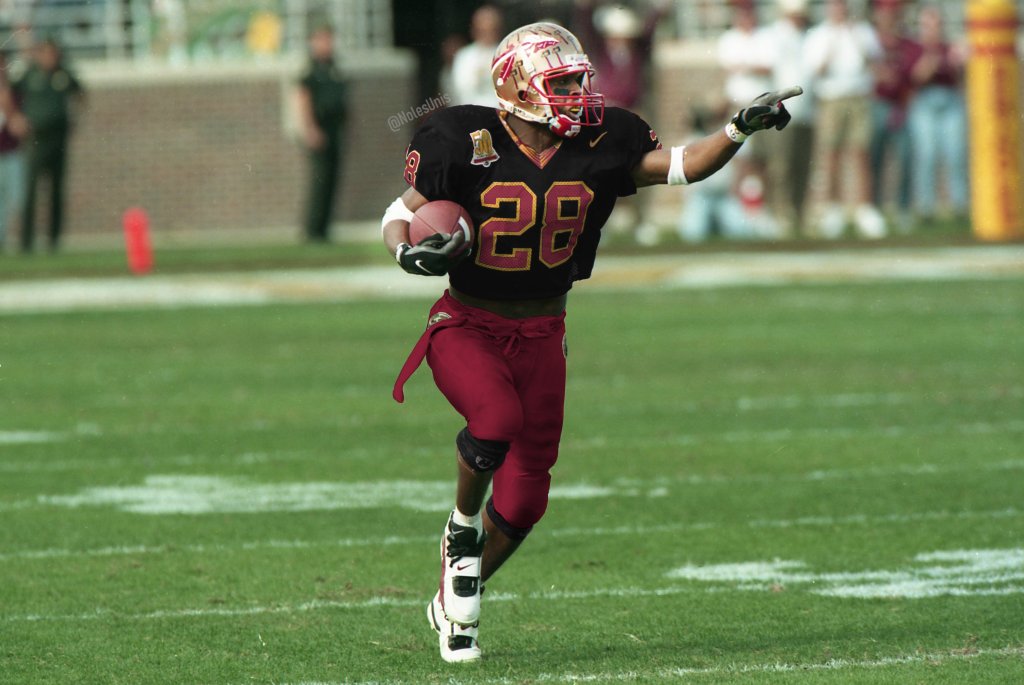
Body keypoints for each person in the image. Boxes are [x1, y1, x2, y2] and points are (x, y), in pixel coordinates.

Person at [380, 21, 801, 663]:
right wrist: (406, 252)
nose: (579, 94)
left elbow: (683, 166)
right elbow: (400, 213)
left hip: (545, 331)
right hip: (467, 324)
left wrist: (738, 128)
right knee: (495, 420)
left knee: (526, 501)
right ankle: (461, 530)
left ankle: (458, 594)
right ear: (517, 88)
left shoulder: (603, 140)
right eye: (563, 83)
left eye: (579, 81)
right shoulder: (463, 139)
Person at [803, 0, 886, 239]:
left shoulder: (863, 31)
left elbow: (875, 63)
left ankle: (863, 207)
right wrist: (832, 48)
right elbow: (815, 70)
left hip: (858, 97)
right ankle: (834, 208)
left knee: (861, 152)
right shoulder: (818, 35)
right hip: (832, 98)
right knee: (831, 154)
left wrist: (856, 41)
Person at [13, 36, 84, 253]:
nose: (50, 57)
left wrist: (74, 119)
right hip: (35, 138)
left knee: (56, 189)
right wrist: (16, 117)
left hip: (58, 138)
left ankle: (53, 240)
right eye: (45, 53)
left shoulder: (64, 74)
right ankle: (26, 242)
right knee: (30, 190)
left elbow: (80, 94)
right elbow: (10, 93)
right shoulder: (30, 74)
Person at [907, 3, 968, 224]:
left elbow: (961, 79)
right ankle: (926, 209)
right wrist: (932, 60)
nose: (933, 28)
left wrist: (960, 62)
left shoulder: (950, 47)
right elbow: (916, 77)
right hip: (925, 103)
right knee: (928, 155)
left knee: (955, 154)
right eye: (928, 24)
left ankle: (960, 207)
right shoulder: (914, 48)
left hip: (950, 101)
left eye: (937, 24)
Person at [761, 0, 815, 236]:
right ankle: (779, 213)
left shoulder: (808, 36)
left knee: (803, 166)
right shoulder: (775, 35)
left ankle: (798, 213)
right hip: (784, 110)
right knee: (781, 165)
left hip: (807, 111)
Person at [295, 24, 349, 243]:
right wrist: (310, 129)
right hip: (320, 129)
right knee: (320, 180)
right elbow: (303, 100)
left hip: (335, 130)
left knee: (332, 180)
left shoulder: (334, 68)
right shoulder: (310, 70)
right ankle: (312, 230)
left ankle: (325, 229)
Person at [869, 0, 918, 229]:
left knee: (905, 157)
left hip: (900, 105)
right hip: (876, 103)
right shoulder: (870, 40)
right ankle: (874, 207)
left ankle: (903, 208)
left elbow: (913, 73)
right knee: (875, 158)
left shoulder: (906, 44)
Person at [0, 51, 28, 253]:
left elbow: (20, 127)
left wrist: (8, 105)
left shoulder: (15, 92)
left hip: (11, 153)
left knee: (16, 196)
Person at [450, 5, 504, 107]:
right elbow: (461, 88)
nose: (487, 35)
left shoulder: (505, 53)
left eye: (492, 30)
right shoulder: (464, 56)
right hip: (471, 111)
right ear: (475, 30)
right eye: (483, 30)